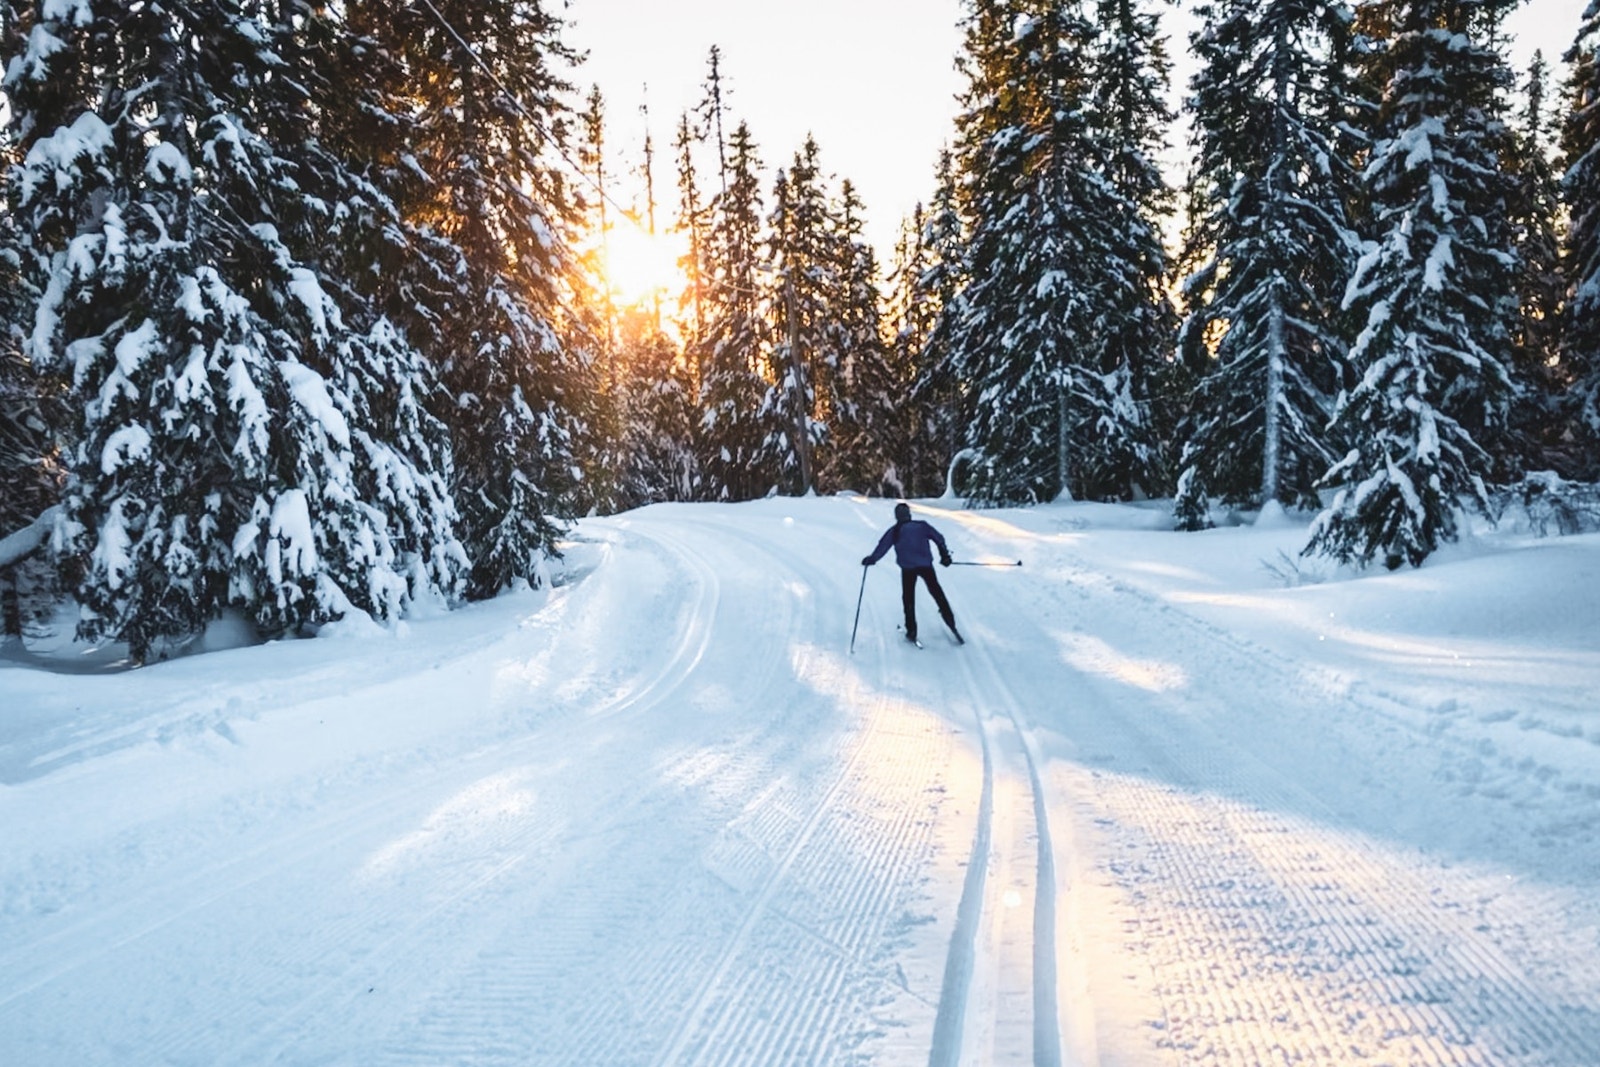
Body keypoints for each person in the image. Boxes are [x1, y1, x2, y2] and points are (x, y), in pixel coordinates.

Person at [862, 502, 963, 645]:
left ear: (897, 516)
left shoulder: (895, 531)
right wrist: (944, 555)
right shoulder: (922, 526)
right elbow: (939, 538)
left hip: (908, 568)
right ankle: (950, 621)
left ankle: (911, 631)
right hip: (926, 566)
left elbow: (882, 547)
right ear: (909, 514)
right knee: (937, 592)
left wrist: (872, 559)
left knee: (908, 598)